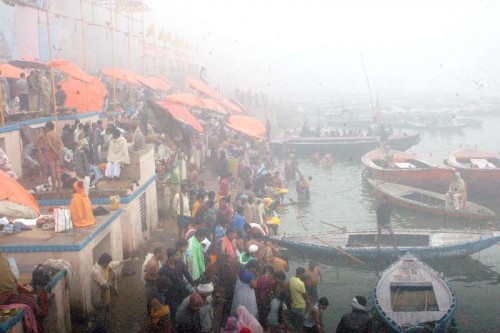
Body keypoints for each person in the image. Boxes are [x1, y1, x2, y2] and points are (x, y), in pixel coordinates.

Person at [91, 253, 134, 332]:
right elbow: (106, 286)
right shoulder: (96, 271)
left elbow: (116, 263)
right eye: (107, 262)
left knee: (106, 315)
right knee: (100, 319)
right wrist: (111, 278)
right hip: (99, 299)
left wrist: (126, 260)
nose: (109, 264)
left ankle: (105, 329)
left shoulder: (106, 266)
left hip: (105, 297)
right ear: (103, 262)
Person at [159, 248, 195, 316]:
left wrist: (193, 285)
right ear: (171, 257)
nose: (178, 257)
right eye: (176, 255)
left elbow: (187, 275)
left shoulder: (180, 264)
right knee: (175, 311)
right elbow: (162, 285)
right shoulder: (163, 270)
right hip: (171, 295)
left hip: (182, 291)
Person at [45, 121, 64, 189]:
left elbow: (50, 145)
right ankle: (59, 185)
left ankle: (54, 186)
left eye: (46, 127)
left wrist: (55, 151)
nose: (45, 129)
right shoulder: (56, 133)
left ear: (49, 127)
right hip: (57, 154)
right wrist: (59, 152)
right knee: (57, 170)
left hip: (51, 153)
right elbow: (62, 144)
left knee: (52, 170)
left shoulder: (48, 134)